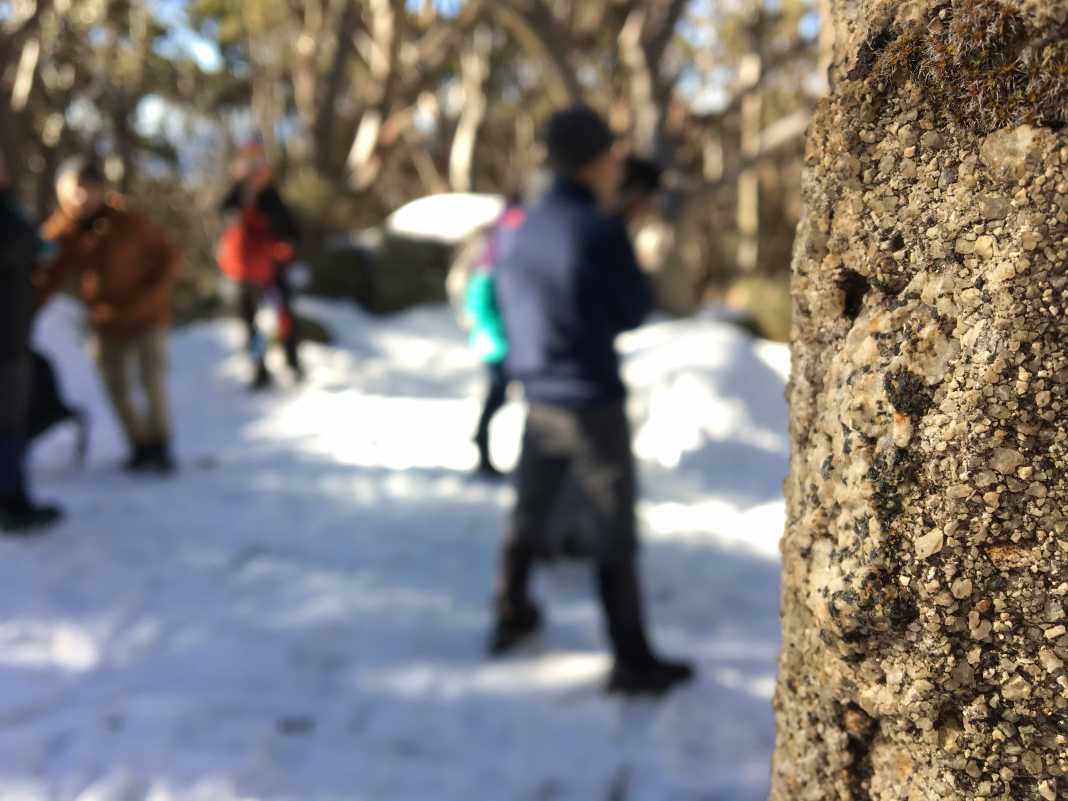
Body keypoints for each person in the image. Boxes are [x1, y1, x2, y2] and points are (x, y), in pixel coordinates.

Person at [491, 106, 694, 696]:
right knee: (613, 533)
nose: (616, 165)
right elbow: (631, 308)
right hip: (591, 400)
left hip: (537, 397)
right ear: (596, 159)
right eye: (611, 153)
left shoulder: (521, 227)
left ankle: (511, 612)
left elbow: (510, 304)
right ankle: (632, 662)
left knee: (528, 513)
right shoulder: (599, 229)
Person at [38, 157, 182, 474]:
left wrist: (150, 297)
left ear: (99, 190)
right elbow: (46, 275)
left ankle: (161, 446)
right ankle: (140, 446)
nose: (79, 198)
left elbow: (169, 257)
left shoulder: (128, 223)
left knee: (151, 381)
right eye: (71, 191)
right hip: (105, 322)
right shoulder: (65, 232)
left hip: (146, 318)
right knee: (115, 386)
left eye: (85, 190)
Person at [0, 166, 63, 533]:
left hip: (14, 337)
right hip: (7, 343)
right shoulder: (9, 220)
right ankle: (12, 504)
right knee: (10, 425)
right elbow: (23, 245)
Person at [218, 142, 302, 391]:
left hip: (273, 272)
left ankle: (292, 362)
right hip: (244, 275)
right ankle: (259, 369)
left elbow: (292, 232)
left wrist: (285, 245)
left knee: (284, 318)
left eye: (257, 164)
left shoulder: (272, 197)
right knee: (252, 326)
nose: (253, 170)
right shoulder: (234, 197)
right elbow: (224, 220)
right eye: (248, 164)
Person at [465, 197, 525, 478]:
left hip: (501, 341)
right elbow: (479, 307)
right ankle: (482, 444)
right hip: (497, 342)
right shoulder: (490, 265)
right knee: (498, 396)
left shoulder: (496, 258)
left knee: (500, 396)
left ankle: (483, 443)